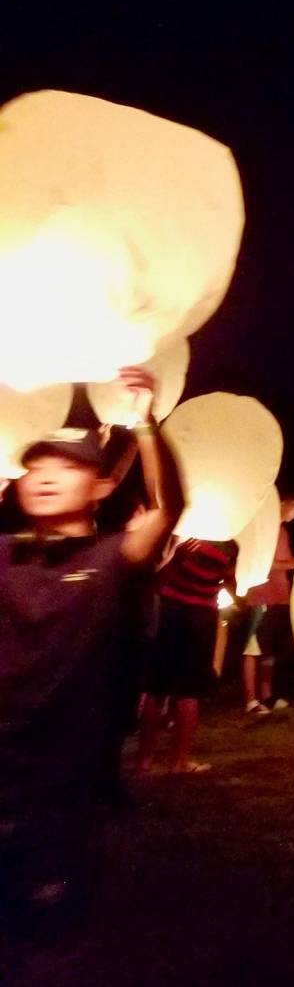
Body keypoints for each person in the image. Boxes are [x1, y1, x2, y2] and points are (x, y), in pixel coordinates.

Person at [0, 369, 179, 922]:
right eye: (35, 466)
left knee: (48, 901)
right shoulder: (5, 552)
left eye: (67, 465)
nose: (45, 477)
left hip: (69, 745)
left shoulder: (110, 559)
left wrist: (146, 423)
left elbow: (167, 506)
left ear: (101, 486)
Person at [137, 525, 237, 776]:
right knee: (188, 691)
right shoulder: (230, 544)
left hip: (172, 614)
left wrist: (177, 558)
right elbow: (231, 584)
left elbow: (158, 581)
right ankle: (178, 761)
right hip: (198, 618)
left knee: (156, 688)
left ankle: (144, 762)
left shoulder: (183, 535)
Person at [238, 496, 294, 718]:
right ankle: (251, 700)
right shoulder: (264, 530)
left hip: (280, 596)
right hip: (261, 595)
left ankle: (267, 694)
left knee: (270, 648)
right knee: (253, 647)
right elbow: (266, 564)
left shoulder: (283, 532)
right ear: (281, 503)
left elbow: (285, 563)